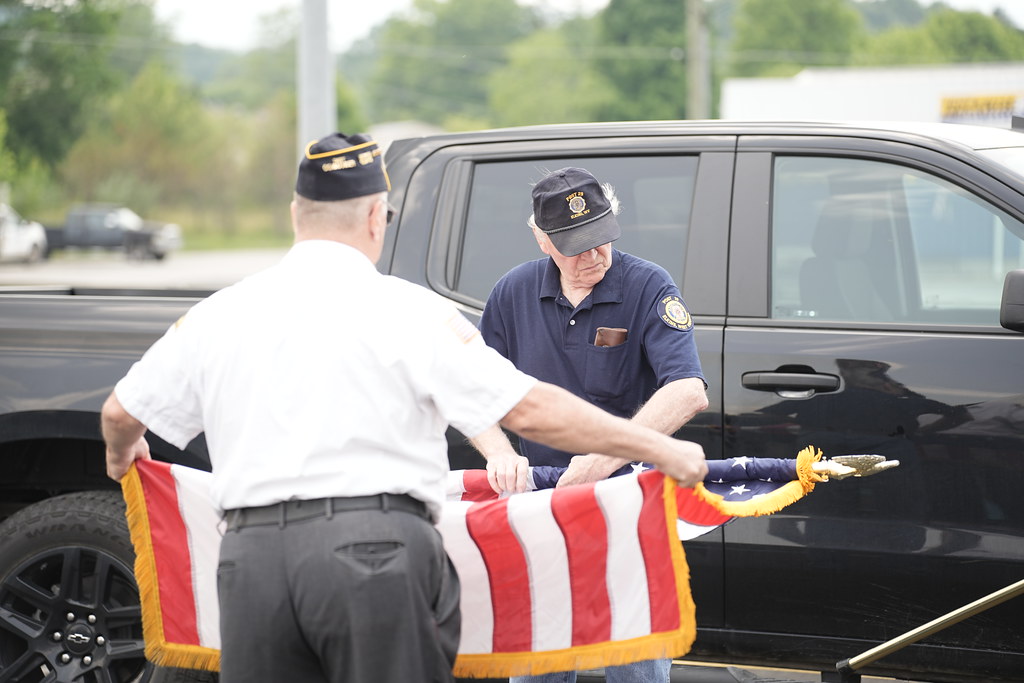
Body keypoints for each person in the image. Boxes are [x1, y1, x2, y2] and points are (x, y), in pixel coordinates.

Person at [100, 134, 708, 683]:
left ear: (294, 214)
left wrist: (124, 451)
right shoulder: (412, 312)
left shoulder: (219, 312)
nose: (592, 253)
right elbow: (528, 409)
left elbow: (121, 414)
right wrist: (657, 448)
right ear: (376, 216)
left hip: (252, 565)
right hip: (376, 557)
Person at [474, 167, 709, 683]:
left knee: (636, 666)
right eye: (575, 245)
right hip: (540, 511)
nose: (592, 255)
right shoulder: (512, 293)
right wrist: (499, 452)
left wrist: (606, 458)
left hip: (626, 507)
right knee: (539, 665)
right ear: (541, 239)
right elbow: (471, 391)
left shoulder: (648, 285)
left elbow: (687, 389)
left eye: (601, 239)